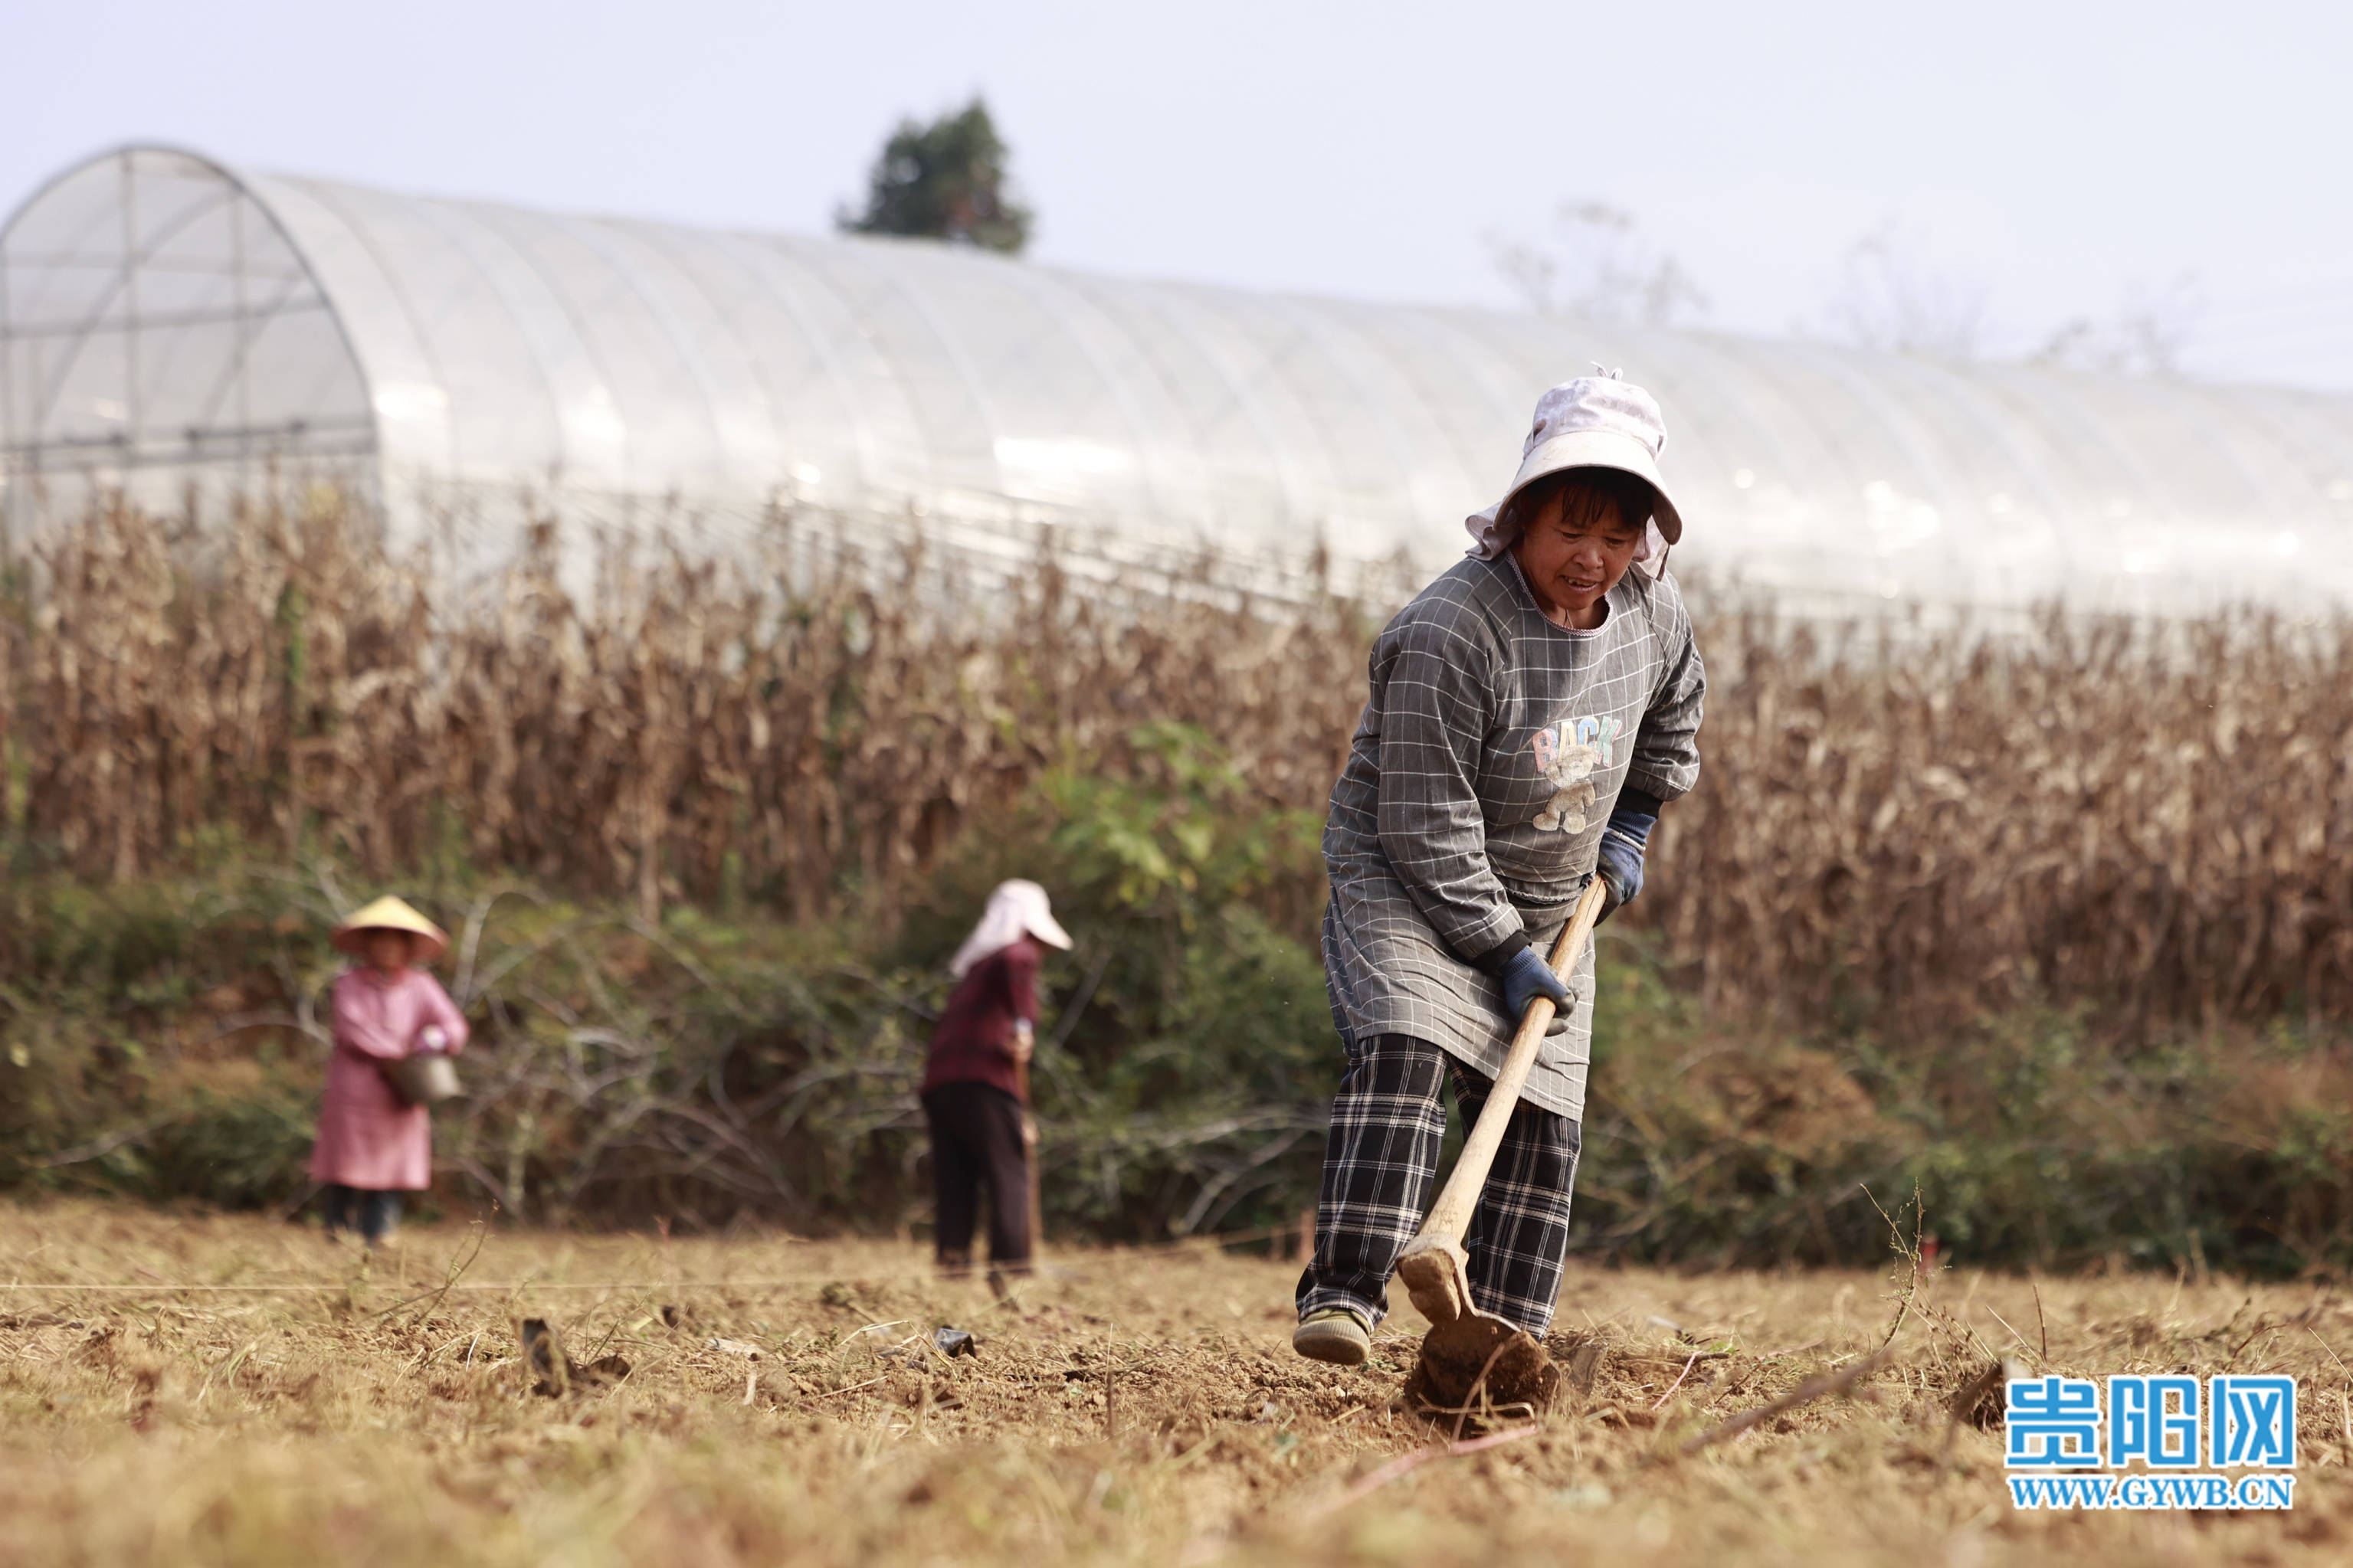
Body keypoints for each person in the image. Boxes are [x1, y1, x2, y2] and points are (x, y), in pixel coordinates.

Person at [1293, 374, 1706, 1365]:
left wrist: (1630, 828)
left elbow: (1670, 722)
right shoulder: (1451, 628)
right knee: (1407, 1050)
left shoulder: (1652, 615)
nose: (1590, 558)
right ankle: (1345, 1291)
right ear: (1519, 514)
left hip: (1554, 893)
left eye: (1615, 538)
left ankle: (1503, 1343)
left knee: (1538, 1124)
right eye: (1569, 529)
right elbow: (1423, 818)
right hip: (1408, 880)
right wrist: (1499, 947)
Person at [921, 879, 1072, 1280]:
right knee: (1009, 1171)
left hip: (941, 1083)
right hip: (986, 1080)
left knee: (957, 1174)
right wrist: (1023, 1026)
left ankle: (953, 1264)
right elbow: (1018, 966)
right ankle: (1012, 1270)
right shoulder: (1015, 954)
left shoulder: (974, 968)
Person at [308, 896, 470, 1247]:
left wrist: (434, 1039)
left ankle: (379, 1235)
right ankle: (337, 1234)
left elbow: (453, 1025)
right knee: (346, 1164)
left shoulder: (422, 985)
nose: (387, 948)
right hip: (356, 1090)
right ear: (368, 945)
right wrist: (397, 1054)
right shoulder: (349, 983)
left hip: (402, 1091)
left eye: (395, 941)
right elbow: (353, 1029)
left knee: (391, 1165)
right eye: (380, 940)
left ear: (407, 947)